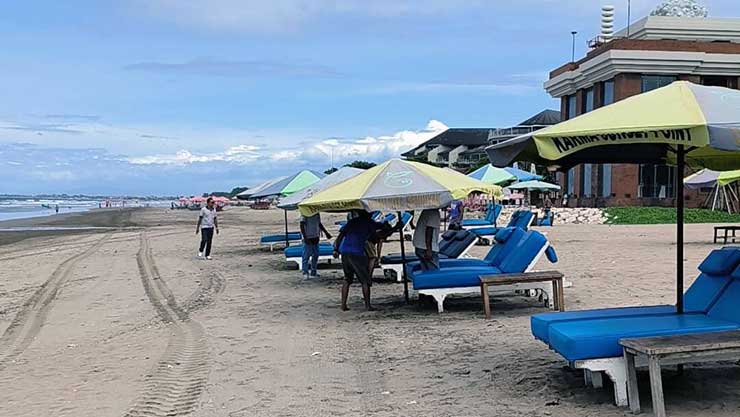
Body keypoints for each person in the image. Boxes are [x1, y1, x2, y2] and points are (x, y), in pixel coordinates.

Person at [333, 210, 397, 311]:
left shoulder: (352, 222)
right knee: (365, 280)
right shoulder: (369, 223)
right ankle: (367, 305)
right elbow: (380, 235)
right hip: (357, 252)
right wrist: (394, 228)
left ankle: (343, 305)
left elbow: (341, 235)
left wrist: (336, 249)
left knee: (347, 279)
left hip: (345, 251)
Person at [300, 213, 332, 279]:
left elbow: (319, 224)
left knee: (316, 255)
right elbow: (301, 225)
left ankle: (313, 272)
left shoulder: (317, 213)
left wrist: (326, 233)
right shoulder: (305, 213)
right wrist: (305, 237)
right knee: (306, 256)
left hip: (315, 237)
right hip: (308, 237)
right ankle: (305, 272)